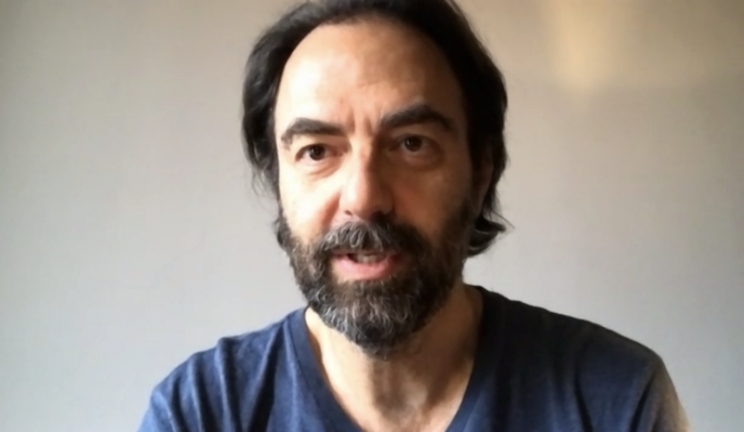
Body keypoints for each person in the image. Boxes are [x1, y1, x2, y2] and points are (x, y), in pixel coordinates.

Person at [138, 0, 688, 430]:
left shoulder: (614, 400)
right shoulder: (200, 412)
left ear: (481, 170)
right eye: (316, 151)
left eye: (412, 144)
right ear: (278, 180)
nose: (363, 197)